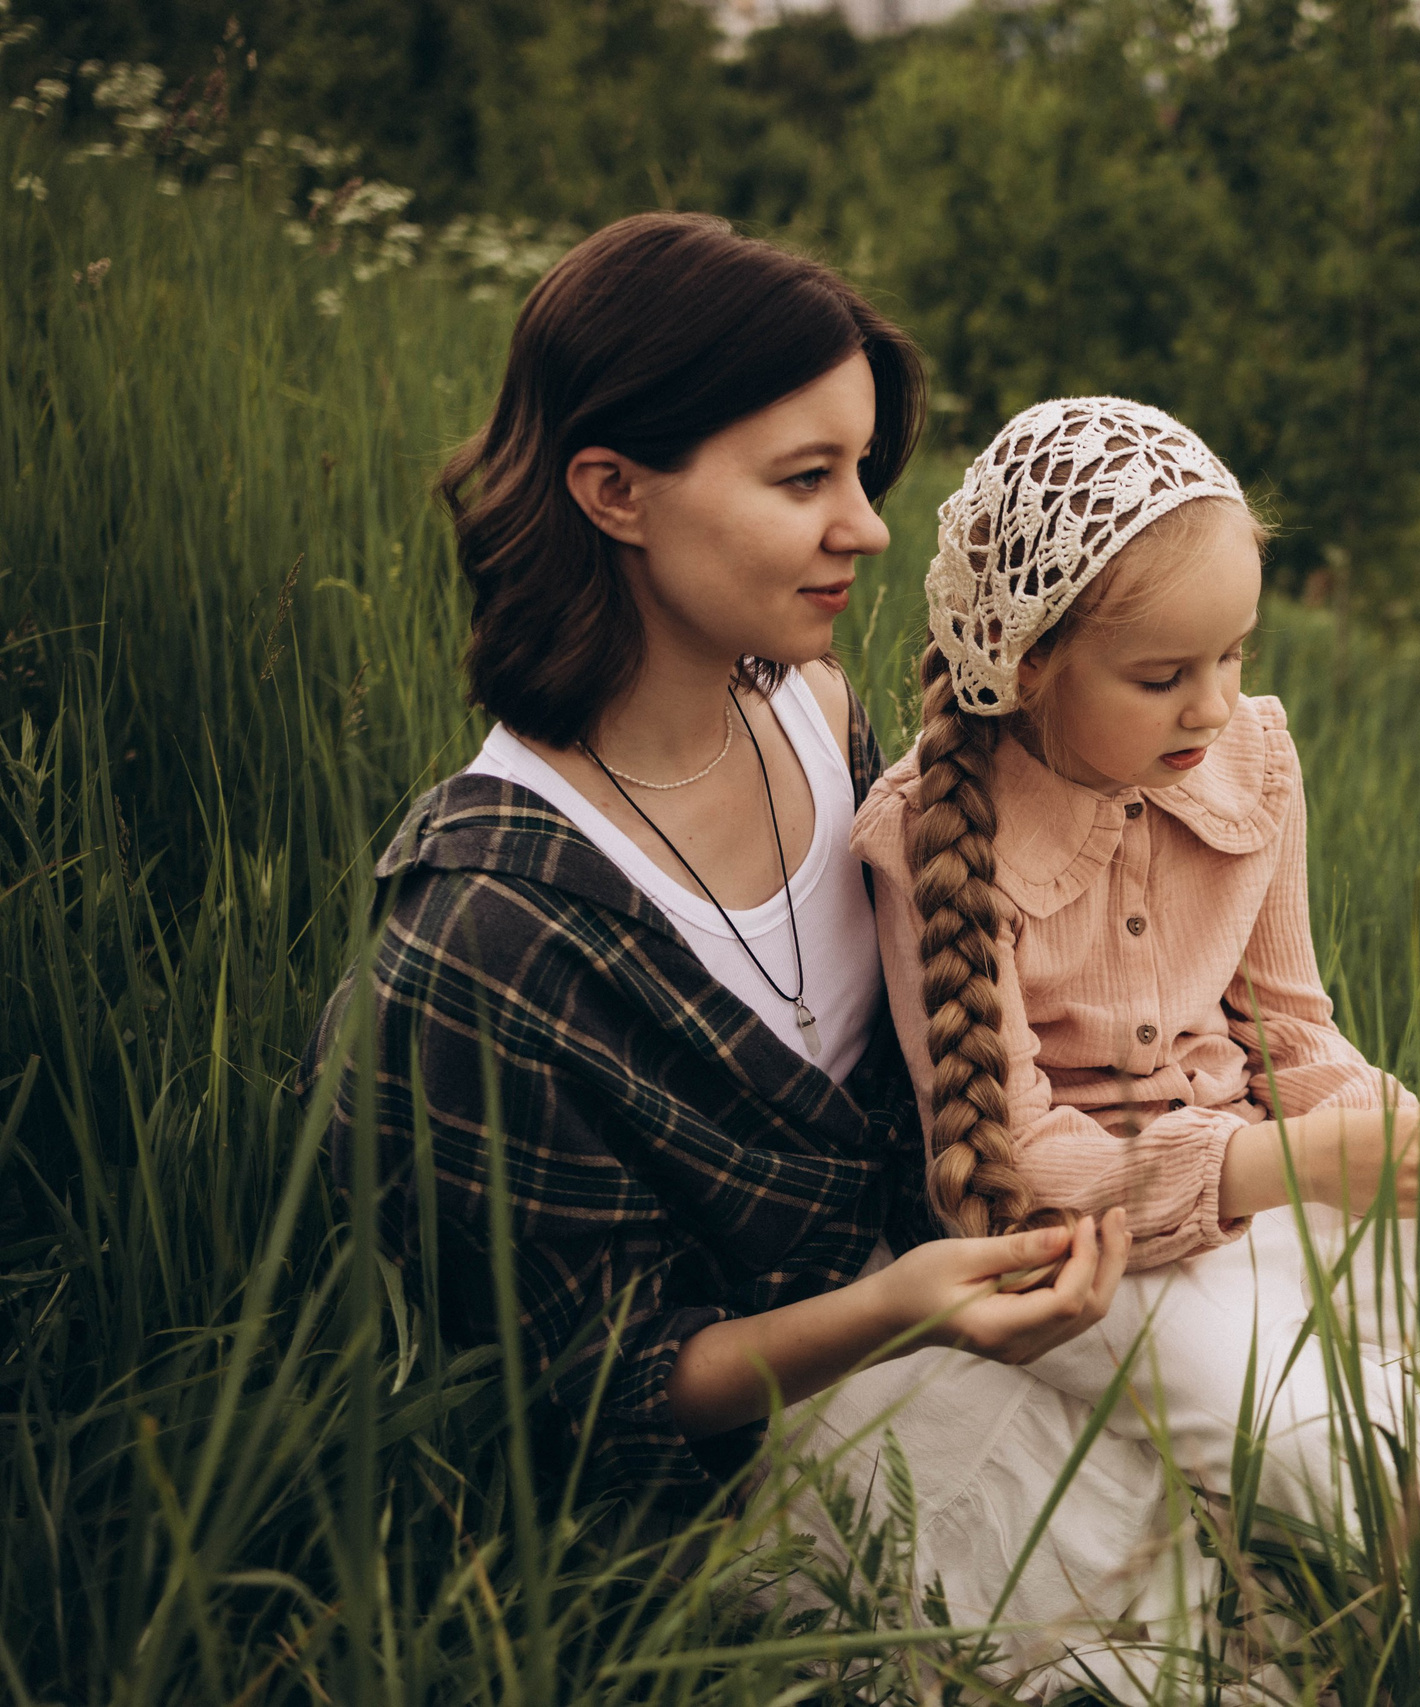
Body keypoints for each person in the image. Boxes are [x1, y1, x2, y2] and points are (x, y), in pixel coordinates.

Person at [308, 213, 1134, 1505]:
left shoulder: (818, 705)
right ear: (615, 489)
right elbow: (590, 1387)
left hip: (965, 1280)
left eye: (862, 471)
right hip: (777, 1450)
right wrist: (895, 1309)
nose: (865, 528)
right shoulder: (487, 936)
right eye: (805, 479)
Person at [849, 398, 1420, 1575]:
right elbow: (1009, 1161)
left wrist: (1362, 1118)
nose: (1212, 705)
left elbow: (1290, 1022)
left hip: (1266, 1168)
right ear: (1030, 667)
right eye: (1164, 674)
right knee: (1376, 1467)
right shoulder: (931, 839)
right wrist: (1280, 1169)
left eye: (1233, 656)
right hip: (1083, 1258)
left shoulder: (1252, 762)